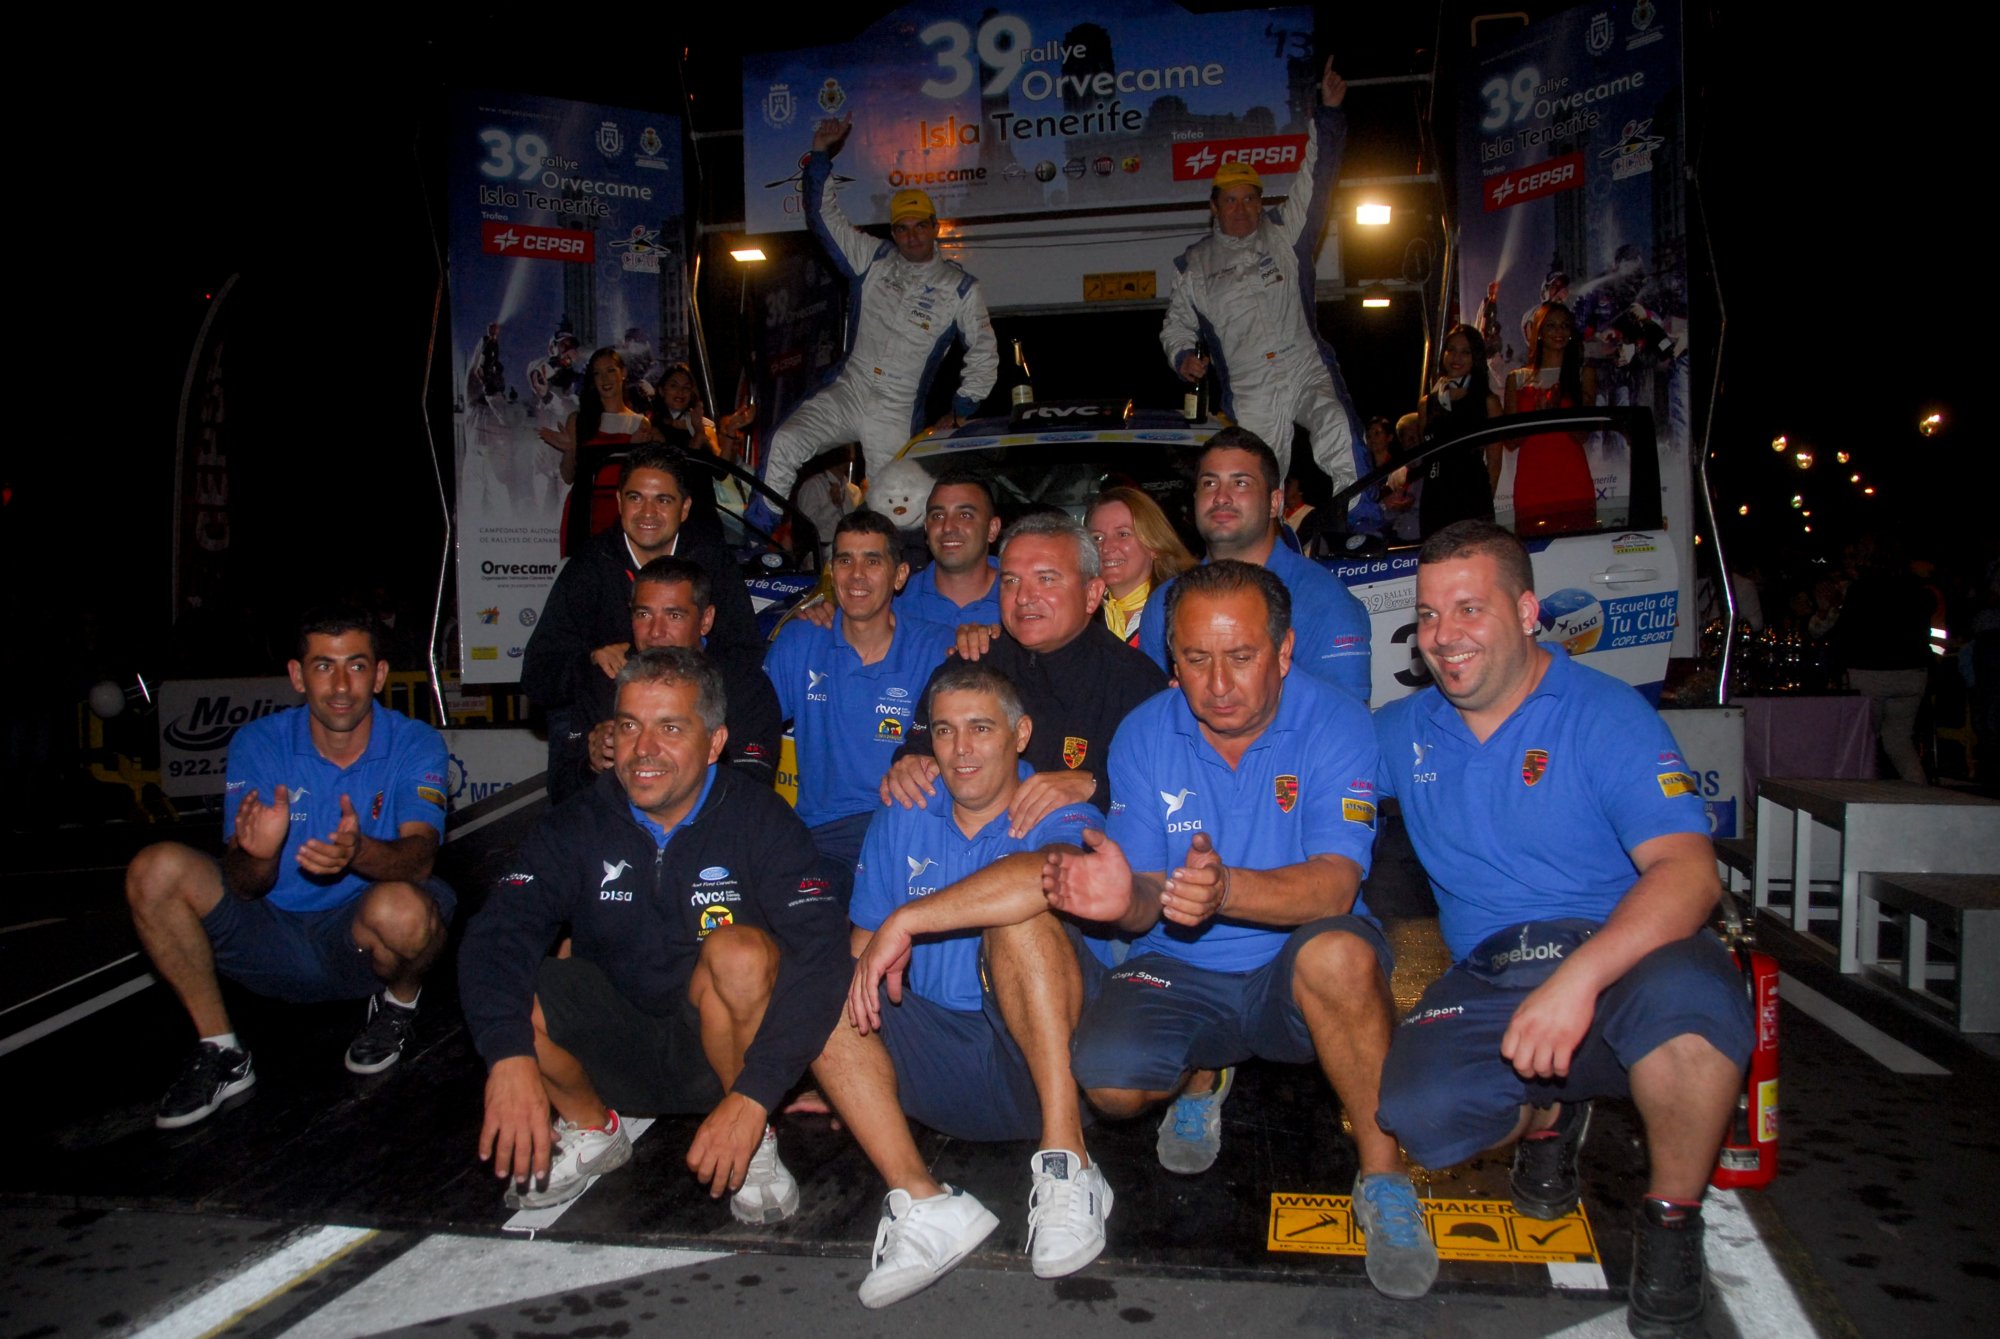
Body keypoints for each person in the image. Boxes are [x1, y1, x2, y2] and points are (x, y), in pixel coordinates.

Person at [1371, 521, 1752, 1337]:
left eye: (1469, 608)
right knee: (1420, 1114)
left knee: (1691, 1014)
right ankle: (1549, 1115)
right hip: (1492, 970)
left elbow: (1690, 873)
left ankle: (1672, 1219)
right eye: (1429, 614)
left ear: (1527, 611)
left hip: (1624, 956)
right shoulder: (1403, 729)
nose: (1444, 634)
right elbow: (1298, 765)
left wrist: (1578, 981)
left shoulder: (1605, 714)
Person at [1044, 561, 1437, 1301]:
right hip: (1180, 964)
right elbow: (1147, 900)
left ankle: (1384, 1177)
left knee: (1341, 954)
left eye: (1242, 656)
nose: (1218, 683)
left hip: (1297, 963)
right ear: (1172, 657)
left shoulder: (1337, 721)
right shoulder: (1144, 733)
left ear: (1284, 652)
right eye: (1196, 659)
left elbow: (1336, 883)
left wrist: (1226, 889)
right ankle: (1204, 1071)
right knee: (1109, 1083)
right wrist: (1122, 896)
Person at [460, 648, 849, 1214]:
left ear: (714, 743)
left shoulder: (762, 820)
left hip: (726, 1057)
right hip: (612, 1045)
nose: (643, 748)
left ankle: (752, 1137)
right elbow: (498, 933)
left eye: (670, 728)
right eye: (629, 726)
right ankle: (592, 1128)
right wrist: (505, 1053)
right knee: (517, 980)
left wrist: (759, 1091)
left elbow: (823, 954)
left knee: (741, 951)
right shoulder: (575, 824)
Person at [812, 661, 1114, 1305]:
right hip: (937, 1068)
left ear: (1020, 734)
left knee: (1021, 918)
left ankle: (1069, 1165)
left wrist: (910, 918)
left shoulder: (1057, 806)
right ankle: (923, 1202)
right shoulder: (904, 811)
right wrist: (829, 1064)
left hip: (1044, 1065)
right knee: (825, 975)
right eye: (945, 731)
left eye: (981, 728)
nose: (961, 749)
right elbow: (862, 952)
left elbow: (1049, 873)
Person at [124, 608, 454, 1128]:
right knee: (153, 868)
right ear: (298, 676)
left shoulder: (415, 741)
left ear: (379, 675)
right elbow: (243, 885)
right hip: (270, 934)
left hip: (355, 939)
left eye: (356, 666)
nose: (341, 686)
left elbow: (421, 858)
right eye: (324, 667)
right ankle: (222, 1051)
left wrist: (357, 853)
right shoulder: (259, 743)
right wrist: (259, 854)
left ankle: (397, 1006)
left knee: (408, 910)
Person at [1160, 60, 1371, 522]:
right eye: (1230, 200)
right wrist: (1183, 357)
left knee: (1338, 426)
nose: (1241, 209)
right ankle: (1261, 547)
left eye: (1249, 198)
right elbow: (1175, 326)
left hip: (1303, 363)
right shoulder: (1194, 264)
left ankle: (1360, 524)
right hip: (1250, 383)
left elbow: (1317, 174)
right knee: (1255, 476)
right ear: (1214, 206)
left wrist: (1329, 112)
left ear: (1261, 202)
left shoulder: (1285, 233)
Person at [759, 114, 998, 506]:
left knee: (897, 502)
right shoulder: (873, 258)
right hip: (850, 388)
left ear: (935, 227)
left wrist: (961, 409)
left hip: (896, 407)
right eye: (902, 227)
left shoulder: (960, 288)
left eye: (920, 226)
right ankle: (759, 531)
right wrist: (820, 154)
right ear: (893, 232)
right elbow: (823, 218)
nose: (912, 235)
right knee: (784, 441)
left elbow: (984, 353)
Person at [885, 511, 1168, 825]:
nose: (1023, 597)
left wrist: (1096, 786)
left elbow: (1167, 787)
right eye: (1011, 581)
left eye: (1046, 579)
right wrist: (911, 765)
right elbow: (918, 749)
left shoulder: (1135, 684)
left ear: (1091, 594)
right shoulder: (970, 665)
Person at [521, 445, 759, 790]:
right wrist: (590, 659)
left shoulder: (712, 561)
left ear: (684, 508)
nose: (648, 512)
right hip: (600, 710)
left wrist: (690, 671)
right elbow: (538, 674)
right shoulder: (589, 567)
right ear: (619, 503)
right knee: (573, 771)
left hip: (689, 706)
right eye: (636, 498)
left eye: (663, 500)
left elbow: (744, 653)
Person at [764, 510, 955, 892]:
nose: (856, 575)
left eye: (872, 561)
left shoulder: (938, 648)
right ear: (832, 571)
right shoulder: (800, 641)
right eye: (845, 560)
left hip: (912, 828)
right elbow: (750, 724)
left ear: (899, 575)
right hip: (825, 838)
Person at [1138, 428, 1372, 704]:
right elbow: (1154, 714)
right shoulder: (1165, 604)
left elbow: (1344, 718)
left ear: (1274, 503)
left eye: (1240, 483)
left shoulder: (1322, 601)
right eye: (1210, 483)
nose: (1221, 497)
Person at [559, 556, 783, 803]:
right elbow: (562, 791)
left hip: (710, 825)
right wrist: (591, 765)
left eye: (674, 615)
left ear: (705, 620)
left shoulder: (742, 685)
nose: (656, 631)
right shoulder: (606, 679)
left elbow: (751, 788)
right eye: (644, 614)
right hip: (613, 824)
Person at [536, 347, 665, 555]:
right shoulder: (578, 420)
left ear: (623, 373)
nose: (605, 379)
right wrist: (569, 450)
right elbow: (568, 477)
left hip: (623, 512)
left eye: (611, 370)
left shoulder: (640, 423)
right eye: (598, 373)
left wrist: (633, 447)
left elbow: (644, 479)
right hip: (584, 511)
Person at [1504, 302, 1599, 535]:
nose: (1559, 332)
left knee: (1579, 546)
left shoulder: (1583, 374)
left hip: (1572, 478)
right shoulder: (1517, 379)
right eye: (1551, 326)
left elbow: (1583, 435)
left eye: (1564, 326)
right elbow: (1510, 441)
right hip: (1532, 480)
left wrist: (1558, 412)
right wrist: (1537, 418)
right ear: (1538, 332)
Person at [1417, 324, 1502, 538]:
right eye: (1451, 350)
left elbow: (1494, 463)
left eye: (1465, 352)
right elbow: (1426, 456)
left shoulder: (1487, 401)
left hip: (1472, 497)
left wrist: (1484, 501)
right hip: (1435, 497)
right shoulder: (1427, 403)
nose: (1456, 357)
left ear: (1476, 358)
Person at [1087, 486, 1194, 646]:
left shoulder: (1183, 610)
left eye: (1123, 534)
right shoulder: (1078, 616)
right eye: (1097, 538)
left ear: (1154, 545)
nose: (1107, 547)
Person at [902, 470, 1003, 628]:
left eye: (965, 515)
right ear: (926, 528)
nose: (948, 527)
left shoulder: (1022, 598)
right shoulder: (897, 603)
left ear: (992, 529)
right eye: (938, 516)